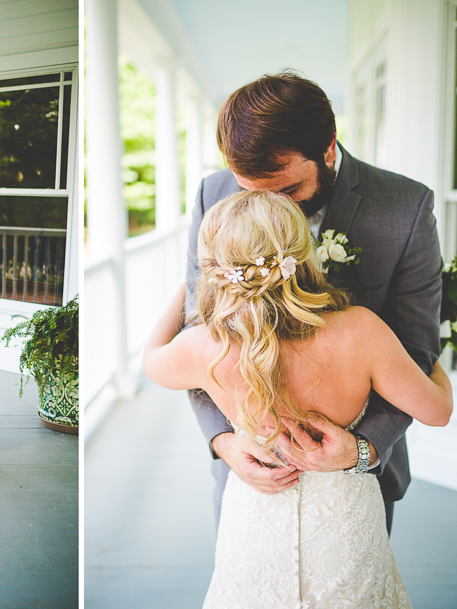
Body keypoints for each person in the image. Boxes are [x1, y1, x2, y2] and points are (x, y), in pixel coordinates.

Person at [145, 189, 451, 607]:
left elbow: (150, 358)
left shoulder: (204, 347)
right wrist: (434, 362)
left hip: (254, 520)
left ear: (213, 268)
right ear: (301, 251)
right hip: (344, 532)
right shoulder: (361, 331)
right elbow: (438, 411)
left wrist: (187, 289)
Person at [185, 72, 442, 533]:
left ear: (328, 148)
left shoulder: (406, 207)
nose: (268, 209)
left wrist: (362, 447)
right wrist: (223, 440)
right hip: (248, 479)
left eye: (285, 191)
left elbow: (417, 351)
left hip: (356, 484)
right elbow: (200, 334)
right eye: (249, 191)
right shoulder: (213, 194)